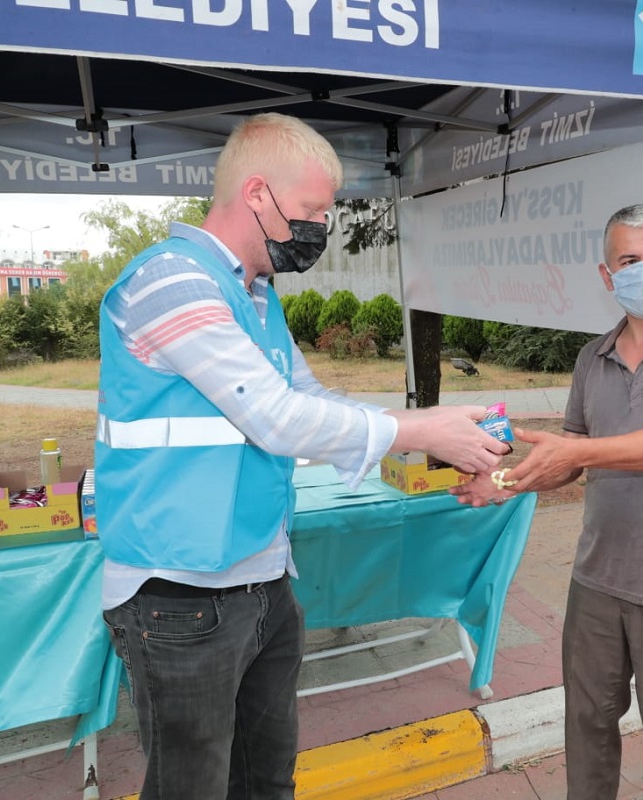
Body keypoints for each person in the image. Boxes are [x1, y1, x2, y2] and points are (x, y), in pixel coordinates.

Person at [95, 112, 507, 800]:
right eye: (313, 211)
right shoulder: (173, 280)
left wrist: (430, 438)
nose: (320, 227)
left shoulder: (255, 296)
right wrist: (426, 429)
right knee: (192, 788)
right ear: (257, 193)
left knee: (265, 782)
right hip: (177, 592)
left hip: (260, 579)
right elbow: (277, 417)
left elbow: (312, 398)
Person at [452, 204, 643, 799]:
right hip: (597, 584)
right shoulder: (594, 356)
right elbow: (572, 457)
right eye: (630, 260)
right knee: (586, 741)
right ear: (607, 274)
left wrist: (574, 453)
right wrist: (504, 480)